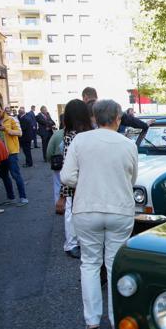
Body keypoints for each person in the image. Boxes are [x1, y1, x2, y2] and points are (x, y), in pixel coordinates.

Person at [60, 100, 138, 329]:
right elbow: (132, 178)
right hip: (120, 209)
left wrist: (85, 181)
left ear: (95, 117)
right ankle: (117, 319)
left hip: (87, 209)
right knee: (115, 264)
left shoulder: (80, 141)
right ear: (117, 118)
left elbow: (66, 176)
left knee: (90, 264)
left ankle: (92, 321)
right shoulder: (128, 144)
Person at [59, 99, 92, 259]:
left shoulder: (70, 135)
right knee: (74, 214)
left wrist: (63, 192)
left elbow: (66, 166)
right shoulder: (82, 135)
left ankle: (73, 243)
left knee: (73, 214)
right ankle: (72, 243)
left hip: (76, 182)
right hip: (82, 182)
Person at [0, 102, 29, 206]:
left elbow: (19, 133)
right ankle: (11, 197)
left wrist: (6, 130)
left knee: (15, 175)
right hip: (0, 153)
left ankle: (23, 198)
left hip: (11, 152)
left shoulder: (11, 119)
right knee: (4, 176)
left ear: (2, 109)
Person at [81, 87, 149, 132]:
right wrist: (144, 125)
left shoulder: (80, 110)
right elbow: (129, 119)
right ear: (96, 96)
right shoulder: (108, 107)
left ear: (85, 97)